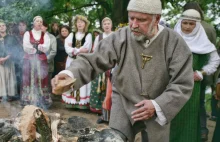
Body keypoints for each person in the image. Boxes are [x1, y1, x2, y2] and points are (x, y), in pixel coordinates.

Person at [51, 0, 194, 141]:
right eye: (131, 18)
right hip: (123, 102)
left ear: (157, 18)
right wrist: (69, 74)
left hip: (157, 107)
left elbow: (182, 84)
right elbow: (92, 60)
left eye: (141, 20)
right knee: (115, 139)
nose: (134, 25)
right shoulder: (121, 36)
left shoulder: (174, 43)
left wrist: (158, 105)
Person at [170, 9, 220, 142]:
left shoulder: (203, 43)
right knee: (171, 115)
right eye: (184, 23)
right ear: (180, 22)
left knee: (190, 119)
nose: (187, 26)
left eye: (191, 24)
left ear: (197, 25)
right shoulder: (172, 39)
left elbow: (215, 61)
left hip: (192, 87)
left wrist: (201, 72)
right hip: (171, 83)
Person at [183, 2, 218, 141]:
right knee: (200, 103)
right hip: (202, 73)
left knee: (191, 103)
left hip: (197, 73)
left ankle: (194, 131)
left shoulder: (201, 28)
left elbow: (212, 54)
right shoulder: (209, 28)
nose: (187, 26)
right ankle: (202, 130)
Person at [62, 15, 92, 109]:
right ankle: (71, 101)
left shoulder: (88, 35)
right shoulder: (71, 35)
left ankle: (81, 102)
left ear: (85, 24)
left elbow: (87, 48)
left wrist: (74, 49)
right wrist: (77, 50)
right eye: (78, 22)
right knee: (71, 78)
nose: (80, 24)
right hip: (71, 61)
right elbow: (67, 47)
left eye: (82, 22)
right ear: (76, 24)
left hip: (82, 61)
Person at [21, 16, 51, 109]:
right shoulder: (27, 33)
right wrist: (35, 48)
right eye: (37, 21)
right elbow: (26, 46)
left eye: (41, 21)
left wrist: (38, 47)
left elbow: (47, 46)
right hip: (29, 59)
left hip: (41, 59)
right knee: (28, 78)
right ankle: (29, 99)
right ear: (33, 23)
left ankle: (41, 100)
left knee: (42, 78)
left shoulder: (45, 35)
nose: (39, 23)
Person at [90, 17, 113, 114]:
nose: (107, 25)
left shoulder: (115, 35)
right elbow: (95, 50)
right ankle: (97, 107)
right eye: (105, 24)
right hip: (100, 64)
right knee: (97, 85)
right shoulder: (98, 37)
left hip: (111, 64)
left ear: (111, 25)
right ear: (102, 26)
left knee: (109, 87)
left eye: (108, 23)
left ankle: (108, 109)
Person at [0, 19, 21, 101]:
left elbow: (16, 49)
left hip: (9, 60)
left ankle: (9, 95)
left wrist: (5, 58)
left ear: (6, 27)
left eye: (3, 25)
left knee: (9, 77)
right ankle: (1, 95)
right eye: (0, 26)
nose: (1, 27)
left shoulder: (11, 38)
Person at [41, 21, 57, 91]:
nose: (40, 27)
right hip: (37, 64)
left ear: (46, 27)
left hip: (48, 64)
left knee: (47, 85)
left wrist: (45, 60)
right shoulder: (36, 37)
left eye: (42, 26)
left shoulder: (51, 37)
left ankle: (47, 100)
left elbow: (53, 51)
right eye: (38, 26)